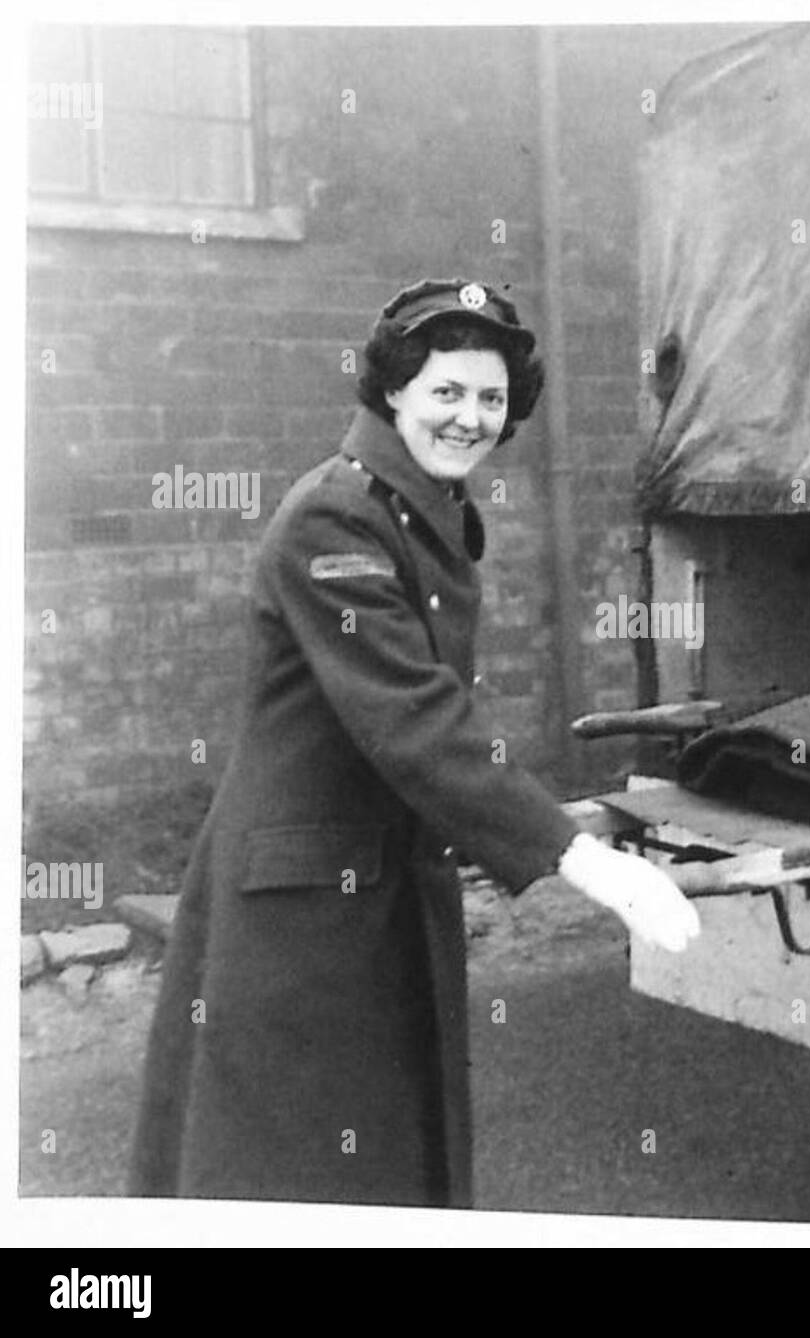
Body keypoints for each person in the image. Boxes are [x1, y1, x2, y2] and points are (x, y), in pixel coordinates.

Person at [128, 277, 700, 1208]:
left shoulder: (420, 507)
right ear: (394, 390)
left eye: (489, 399)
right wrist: (583, 859)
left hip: (377, 882)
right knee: (296, 1174)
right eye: (445, 391)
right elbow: (414, 718)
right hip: (302, 911)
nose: (468, 418)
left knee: (382, 1160)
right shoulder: (336, 516)